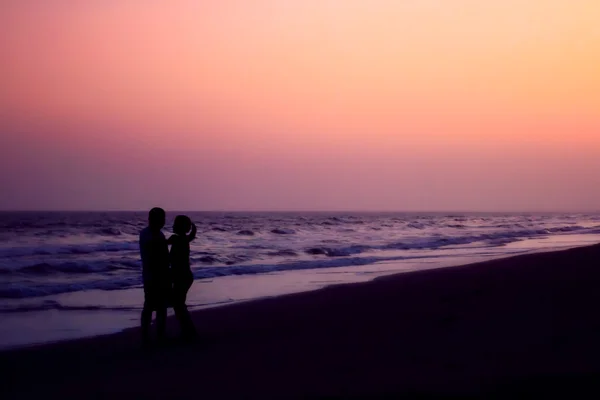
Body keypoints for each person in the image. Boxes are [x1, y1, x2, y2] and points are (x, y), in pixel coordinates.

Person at [139, 207, 170, 347]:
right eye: (161, 219)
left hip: (161, 275)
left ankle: (160, 335)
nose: (162, 222)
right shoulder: (147, 234)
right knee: (150, 306)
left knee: (161, 307)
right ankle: (146, 336)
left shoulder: (160, 234)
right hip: (151, 276)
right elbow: (154, 252)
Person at [167, 215, 198, 340]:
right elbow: (192, 236)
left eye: (175, 224)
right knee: (179, 304)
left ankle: (189, 332)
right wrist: (193, 229)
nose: (173, 226)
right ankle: (188, 331)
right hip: (186, 276)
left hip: (181, 276)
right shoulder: (185, 238)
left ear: (179, 226)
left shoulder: (175, 238)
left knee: (178, 305)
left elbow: (161, 243)